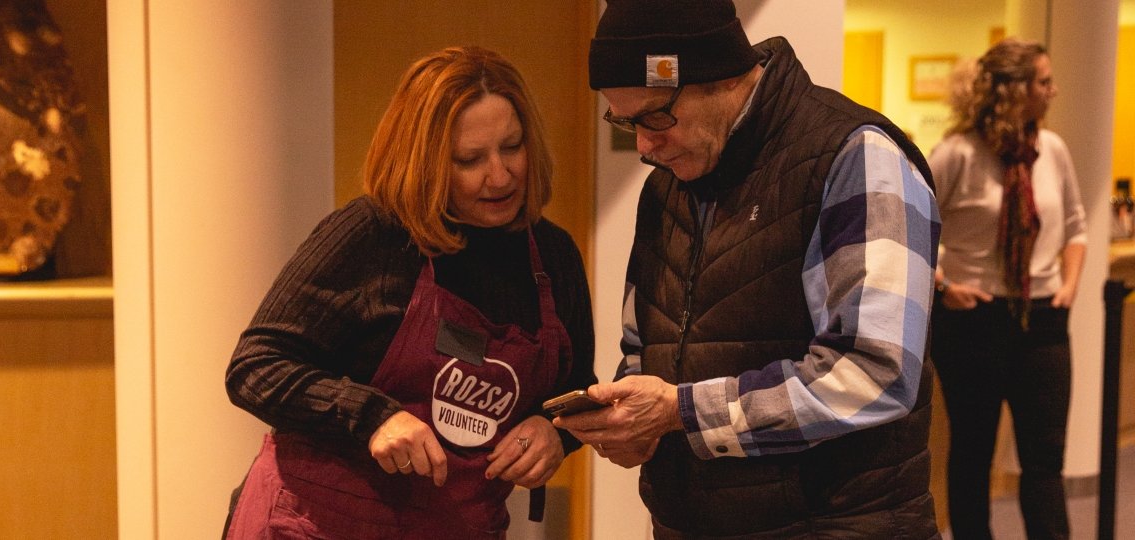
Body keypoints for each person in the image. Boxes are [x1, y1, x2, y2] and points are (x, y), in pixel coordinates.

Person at [553, 1, 943, 537]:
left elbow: (874, 371)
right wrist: (631, 418)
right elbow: (641, 344)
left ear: (718, 75)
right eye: (625, 122)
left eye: (655, 117)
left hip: (836, 523)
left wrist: (681, 413)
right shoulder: (665, 186)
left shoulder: (856, 158)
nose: (644, 145)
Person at [222, 45, 596, 539]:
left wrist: (555, 431)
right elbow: (255, 366)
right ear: (425, 161)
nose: (500, 175)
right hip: (312, 524)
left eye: (512, 147)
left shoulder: (554, 257)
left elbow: (576, 389)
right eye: (469, 159)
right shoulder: (372, 236)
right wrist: (371, 416)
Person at [929, 38, 1087, 540]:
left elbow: (1077, 227)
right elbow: (912, 230)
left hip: (1043, 321)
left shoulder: (1052, 149)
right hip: (973, 321)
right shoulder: (956, 153)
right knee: (973, 455)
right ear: (1015, 89)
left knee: (1044, 461)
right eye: (1044, 82)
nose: (1054, 91)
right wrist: (944, 284)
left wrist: (1070, 286)